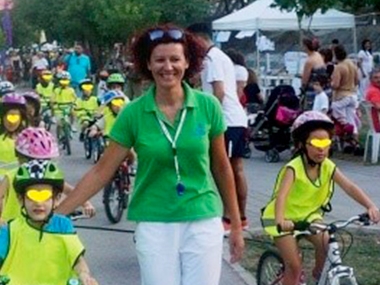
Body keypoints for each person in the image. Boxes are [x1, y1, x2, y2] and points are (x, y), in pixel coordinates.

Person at [56, 24, 244, 285]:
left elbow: (222, 167)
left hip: (202, 218)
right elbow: (102, 170)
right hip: (154, 222)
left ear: (188, 62)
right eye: (160, 60)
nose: (168, 67)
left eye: (175, 59)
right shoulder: (132, 113)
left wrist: (235, 224)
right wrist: (60, 213)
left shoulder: (207, 106)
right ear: (148, 64)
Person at [260, 111, 380, 285]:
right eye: (316, 143)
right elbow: (281, 196)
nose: (321, 148)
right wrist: (280, 220)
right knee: (294, 268)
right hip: (282, 219)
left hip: (309, 217)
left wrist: (370, 206)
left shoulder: (327, 166)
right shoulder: (293, 168)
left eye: (326, 143)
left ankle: (319, 276)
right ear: (302, 144)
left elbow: (349, 186)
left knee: (327, 243)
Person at [187, 22, 249, 233]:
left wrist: (207, 121)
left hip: (226, 120)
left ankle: (230, 218)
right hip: (236, 119)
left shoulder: (211, 58)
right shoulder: (221, 56)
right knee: (235, 168)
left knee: (225, 168)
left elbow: (219, 92)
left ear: (198, 38)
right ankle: (239, 216)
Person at [0, 159, 98, 285]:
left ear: (56, 199)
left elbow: (77, 259)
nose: (38, 203)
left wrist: (85, 276)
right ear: (20, 200)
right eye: (32, 196)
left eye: (45, 196)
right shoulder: (9, 230)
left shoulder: (63, 226)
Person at [0, 127, 95, 222]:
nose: (38, 166)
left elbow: (71, 192)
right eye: (32, 161)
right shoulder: (12, 176)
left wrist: (86, 204)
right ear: (19, 157)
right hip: (12, 229)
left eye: (45, 161)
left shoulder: (49, 176)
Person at [330, 44, 360, 137]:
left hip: (342, 95)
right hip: (353, 94)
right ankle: (354, 137)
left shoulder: (339, 67)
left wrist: (330, 83)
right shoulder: (352, 64)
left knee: (334, 108)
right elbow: (357, 80)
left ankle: (345, 126)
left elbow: (336, 85)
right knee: (351, 117)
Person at [0, 93, 28, 179]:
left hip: (20, 185)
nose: (11, 122)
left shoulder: (28, 138)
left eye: (15, 117)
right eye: (8, 117)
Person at [300, 37, 327, 110]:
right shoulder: (318, 55)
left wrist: (302, 88)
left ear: (306, 47)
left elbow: (305, 79)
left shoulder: (309, 61)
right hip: (322, 87)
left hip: (313, 90)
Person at [51, 71, 77, 136]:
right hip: (59, 109)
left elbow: (75, 99)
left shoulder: (71, 90)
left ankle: (72, 125)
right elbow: (52, 99)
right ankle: (59, 136)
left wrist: (75, 103)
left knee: (73, 113)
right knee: (59, 123)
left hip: (68, 107)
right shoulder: (56, 90)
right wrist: (53, 102)